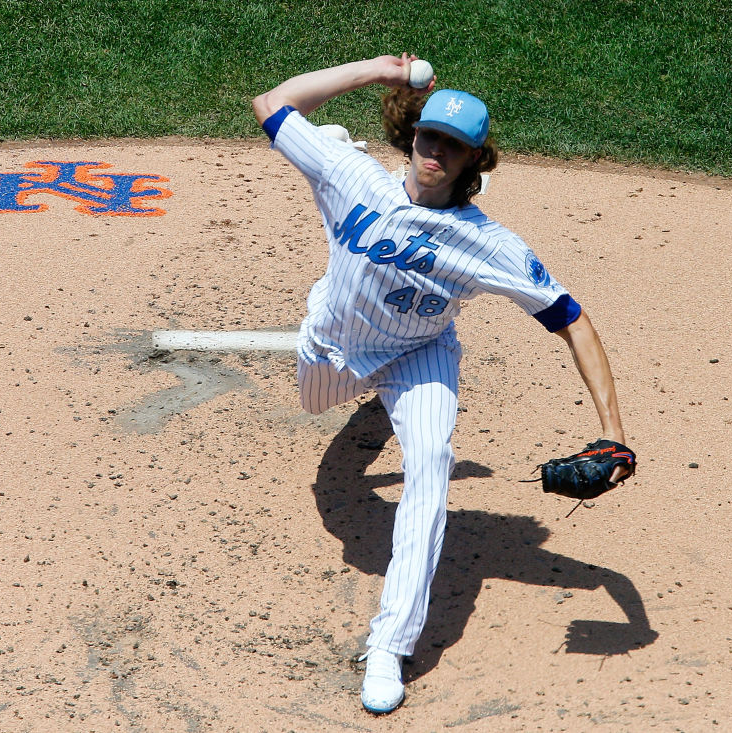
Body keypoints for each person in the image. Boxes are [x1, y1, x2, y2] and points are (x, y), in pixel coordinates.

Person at [252, 54, 632, 715]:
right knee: (315, 403)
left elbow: (573, 319)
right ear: (414, 134)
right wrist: (376, 70)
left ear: (472, 160)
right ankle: (345, 332)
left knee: (429, 463)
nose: (436, 152)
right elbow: (271, 102)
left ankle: (389, 645)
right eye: (430, 136)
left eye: (453, 146)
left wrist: (614, 433)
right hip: (333, 346)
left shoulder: (487, 245)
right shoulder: (357, 181)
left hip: (418, 355)